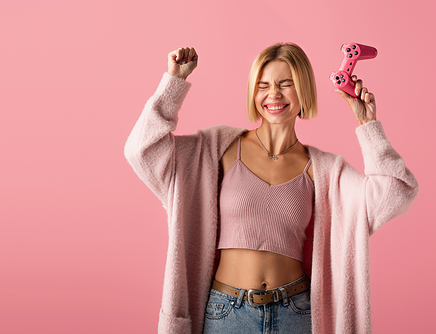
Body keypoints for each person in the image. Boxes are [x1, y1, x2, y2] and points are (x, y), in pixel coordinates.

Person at [124, 43, 418, 334]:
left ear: (304, 91)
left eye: (285, 83)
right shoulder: (216, 149)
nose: (273, 94)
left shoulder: (324, 170)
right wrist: (173, 84)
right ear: (253, 93)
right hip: (226, 314)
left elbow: (396, 192)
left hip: (296, 313)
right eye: (263, 85)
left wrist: (368, 124)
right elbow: (142, 150)